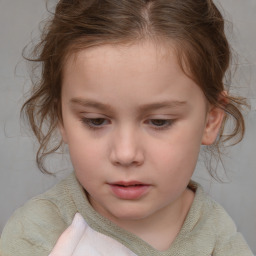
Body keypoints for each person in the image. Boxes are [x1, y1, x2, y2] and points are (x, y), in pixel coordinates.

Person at [0, 0, 253, 255]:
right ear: (60, 117)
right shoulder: (33, 237)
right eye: (95, 120)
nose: (125, 153)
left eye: (159, 121)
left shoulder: (219, 241)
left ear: (210, 119)